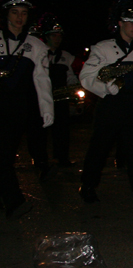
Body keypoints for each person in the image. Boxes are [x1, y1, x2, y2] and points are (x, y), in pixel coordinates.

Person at [79, 0, 133, 209]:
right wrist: (105, 88)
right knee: (98, 150)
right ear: (119, 23)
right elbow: (86, 77)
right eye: (130, 22)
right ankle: (88, 187)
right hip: (110, 105)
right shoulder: (102, 48)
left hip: (131, 106)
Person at [0, 0, 53, 219]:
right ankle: (13, 201)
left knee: (4, 157)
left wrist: (46, 109)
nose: (19, 18)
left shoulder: (36, 46)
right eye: (14, 12)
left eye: (23, 13)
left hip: (15, 110)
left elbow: (42, 81)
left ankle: (14, 202)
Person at [39, 13, 80, 169]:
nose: (57, 38)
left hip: (60, 98)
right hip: (43, 97)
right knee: (41, 131)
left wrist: (73, 86)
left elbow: (70, 76)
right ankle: (41, 159)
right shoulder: (40, 54)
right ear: (47, 37)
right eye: (54, 35)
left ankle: (62, 157)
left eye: (59, 35)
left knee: (62, 131)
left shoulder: (66, 56)